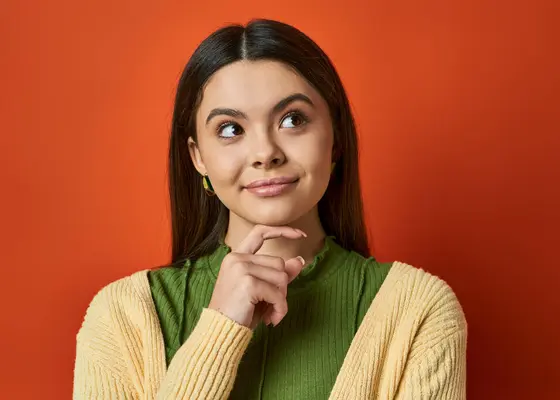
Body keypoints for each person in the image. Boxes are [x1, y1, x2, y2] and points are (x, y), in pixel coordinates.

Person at [73, 18, 467, 399]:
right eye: (231, 129)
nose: (265, 153)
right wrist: (221, 329)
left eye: (293, 119)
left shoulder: (419, 309)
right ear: (198, 157)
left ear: (336, 140)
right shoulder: (122, 315)